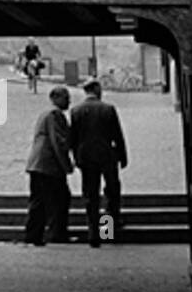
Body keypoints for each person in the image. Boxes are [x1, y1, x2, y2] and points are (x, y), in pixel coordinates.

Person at [70, 79, 128, 247]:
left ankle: (93, 234)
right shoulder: (108, 109)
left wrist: (77, 158)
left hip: (86, 158)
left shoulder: (76, 111)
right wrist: (123, 157)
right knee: (111, 193)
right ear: (96, 89)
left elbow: (73, 139)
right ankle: (107, 231)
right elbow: (117, 135)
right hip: (107, 156)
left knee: (90, 196)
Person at [22, 85, 73, 246]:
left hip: (38, 164)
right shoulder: (54, 114)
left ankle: (34, 236)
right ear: (56, 98)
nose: (69, 101)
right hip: (48, 166)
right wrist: (67, 165)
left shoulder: (45, 114)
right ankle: (55, 234)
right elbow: (58, 142)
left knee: (40, 201)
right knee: (59, 199)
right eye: (66, 98)